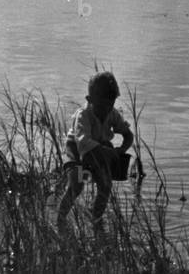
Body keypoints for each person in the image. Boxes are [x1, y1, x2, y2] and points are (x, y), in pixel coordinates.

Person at [57, 72, 134, 231]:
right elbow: (83, 140)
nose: (105, 110)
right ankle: (60, 220)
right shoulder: (83, 115)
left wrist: (121, 150)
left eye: (110, 104)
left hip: (97, 154)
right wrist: (106, 152)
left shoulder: (112, 114)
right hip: (77, 154)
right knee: (77, 185)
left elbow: (128, 135)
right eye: (101, 106)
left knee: (105, 186)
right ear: (89, 100)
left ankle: (95, 217)